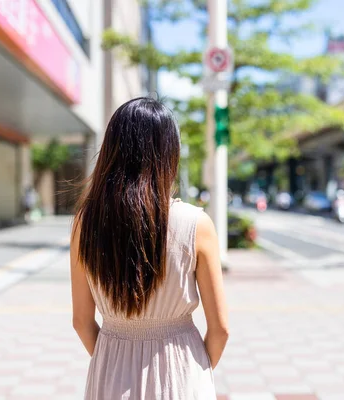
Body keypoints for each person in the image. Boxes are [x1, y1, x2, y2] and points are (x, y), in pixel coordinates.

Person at [70, 97, 229, 400]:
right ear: (170, 152)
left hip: (111, 371)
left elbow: (81, 320)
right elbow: (220, 329)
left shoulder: (84, 223)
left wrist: (116, 359)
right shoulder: (197, 224)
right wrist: (198, 371)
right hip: (180, 372)